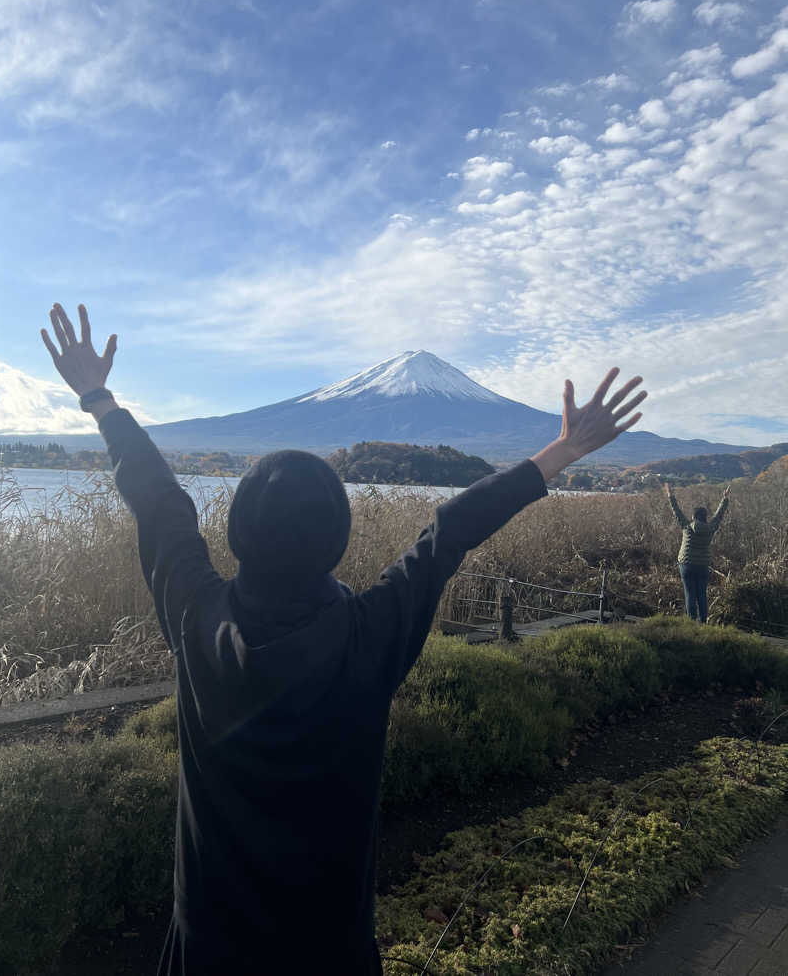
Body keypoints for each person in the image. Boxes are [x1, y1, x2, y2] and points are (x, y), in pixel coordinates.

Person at [41, 302, 647, 976]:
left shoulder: (198, 619)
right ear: (337, 539)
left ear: (239, 529)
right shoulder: (368, 635)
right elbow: (448, 533)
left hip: (206, 952)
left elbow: (161, 504)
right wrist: (561, 450)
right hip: (330, 955)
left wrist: (99, 398)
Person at [664, 481, 730, 624]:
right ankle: (703, 622)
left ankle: (691, 623)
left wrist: (670, 496)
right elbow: (719, 516)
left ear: (693, 517)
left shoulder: (687, 527)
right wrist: (724, 499)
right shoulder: (710, 528)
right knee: (701, 595)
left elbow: (677, 512)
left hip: (686, 565)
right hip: (702, 566)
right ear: (705, 517)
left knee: (689, 594)